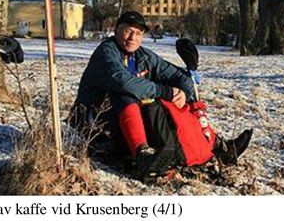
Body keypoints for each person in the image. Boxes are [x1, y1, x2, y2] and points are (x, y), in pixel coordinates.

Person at [73, 11, 251, 178]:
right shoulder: (106, 52)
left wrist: (184, 90)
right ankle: (141, 154)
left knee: (178, 97)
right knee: (128, 94)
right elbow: (124, 82)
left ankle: (219, 147)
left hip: (124, 118)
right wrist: (166, 92)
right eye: (128, 30)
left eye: (138, 33)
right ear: (116, 30)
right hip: (95, 120)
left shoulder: (142, 55)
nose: (132, 37)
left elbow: (174, 74)